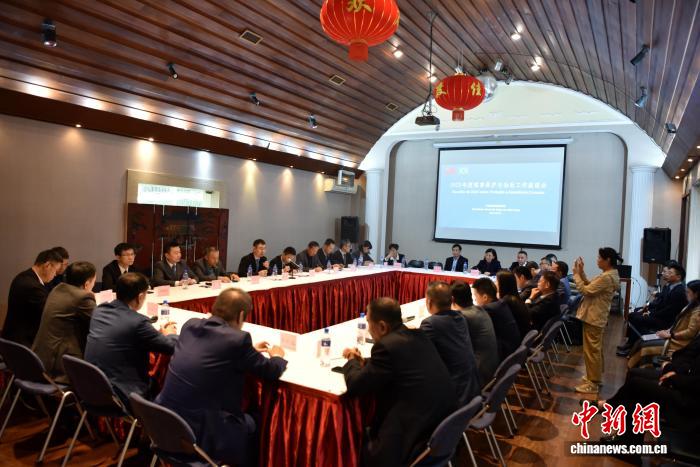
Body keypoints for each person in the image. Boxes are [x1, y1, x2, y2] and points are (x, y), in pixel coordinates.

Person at [156, 289, 287, 467]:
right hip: (203, 434)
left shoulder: (190, 325)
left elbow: (210, 349)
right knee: (259, 420)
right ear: (241, 315)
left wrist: (248, 353)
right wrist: (278, 356)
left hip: (164, 423)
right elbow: (271, 371)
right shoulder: (238, 340)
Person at [341, 298, 456, 466]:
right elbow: (399, 362)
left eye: (369, 323)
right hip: (440, 428)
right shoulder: (418, 335)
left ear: (382, 326)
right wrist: (365, 362)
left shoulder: (386, 346)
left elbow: (355, 386)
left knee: (348, 440)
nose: (369, 329)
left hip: (413, 437)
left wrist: (351, 360)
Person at [592, 333, 700, 453]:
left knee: (637, 385)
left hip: (690, 403)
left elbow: (696, 383)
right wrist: (673, 371)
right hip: (684, 385)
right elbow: (687, 356)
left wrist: (673, 379)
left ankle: (614, 414)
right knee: (635, 377)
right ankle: (626, 438)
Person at [85, 272, 178, 405]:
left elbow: (124, 333)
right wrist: (169, 334)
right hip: (120, 394)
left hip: (91, 387)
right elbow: (171, 347)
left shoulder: (99, 311)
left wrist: (154, 333)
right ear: (140, 297)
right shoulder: (138, 322)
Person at [32, 261, 97, 384]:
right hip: (59, 366)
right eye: (94, 281)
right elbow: (100, 323)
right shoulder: (82, 297)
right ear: (87, 283)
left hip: (40, 358)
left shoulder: (58, 289)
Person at [421, 282, 480, 405]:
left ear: (429, 302)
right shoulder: (460, 317)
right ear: (452, 300)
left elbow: (418, 355)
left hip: (455, 396)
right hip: (473, 389)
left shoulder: (430, 324)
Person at [572, 247, 622, 394]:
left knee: (592, 351)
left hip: (594, 317)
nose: (597, 260)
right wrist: (581, 272)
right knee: (594, 350)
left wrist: (576, 275)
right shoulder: (609, 274)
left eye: (599, 258)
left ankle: (592, 383)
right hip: (596, 316)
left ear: (607, 260)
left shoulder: (607, 277)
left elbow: (586, 290)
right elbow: (590, 285)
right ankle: (594, 377)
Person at [618, 263, 688, 356]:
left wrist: (650, 314)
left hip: (666, 321)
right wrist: (649, 311)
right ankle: (631, 344)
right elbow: (661, 303)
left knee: (637, 319)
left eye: (670, 273)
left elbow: (669, 311)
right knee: (632, 316)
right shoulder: (669, 286)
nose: (667, 274)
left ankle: (632, 347)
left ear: (678, 277)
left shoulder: (679, 291)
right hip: (660, 316)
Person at [2, 249, 63, 347]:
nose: (55, 275)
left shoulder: (24, 276)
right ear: (47, 265)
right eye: (55, 270)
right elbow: (49, 313)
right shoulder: (33, 286)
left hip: (12, 337)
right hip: (22, 343)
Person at [451, 281, 498, 386]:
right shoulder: (479, 309)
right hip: (492, 368)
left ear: (452, 299)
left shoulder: (462, 317)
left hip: (479, 375)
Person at [471, 278, 521, 361]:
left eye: (476, 296)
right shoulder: (500, 303)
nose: (475, 300)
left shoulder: (489, 309)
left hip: (504, 354)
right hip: (512, 349)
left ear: (485, 297)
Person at [654, 280, 700, 355]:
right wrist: (667, 331)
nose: (686, 294)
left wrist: (670, 335)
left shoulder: (698, 311)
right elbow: (678, 322)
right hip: (674, 337)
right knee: (643, 341)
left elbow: (690, 332)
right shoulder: (691, 305)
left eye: (688, 292)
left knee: (645, 345)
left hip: (681, 343)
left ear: (696, 294)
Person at [496, 271, 532, 338]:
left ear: (502, 284)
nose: (495, 283)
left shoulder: (507, 301)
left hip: (516, 338)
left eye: (497, 281)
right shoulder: (514, 296)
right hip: (522, 334)